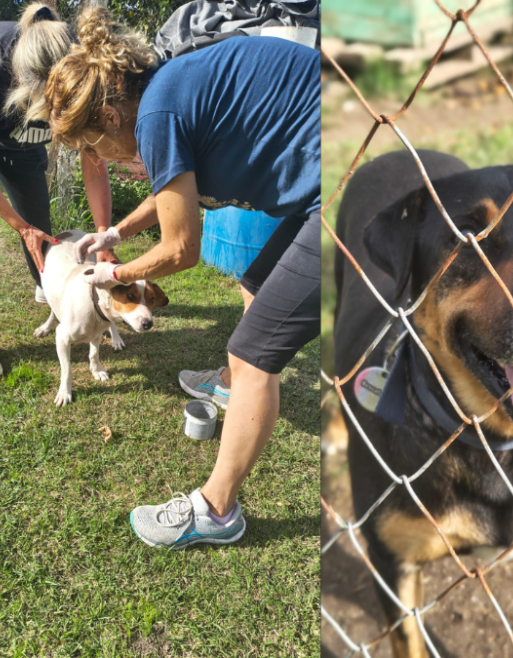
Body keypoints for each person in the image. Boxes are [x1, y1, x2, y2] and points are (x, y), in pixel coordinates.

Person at [39, 6, 320, 548]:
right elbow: (176, 195)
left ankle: (217, 509)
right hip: (334, 175)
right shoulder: (165, 94)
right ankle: (233, 390)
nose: (102, 158)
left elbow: (181, 249)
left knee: (253, 350)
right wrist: (116, 232)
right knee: (255, 283)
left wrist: (113, 273)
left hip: (353, 183)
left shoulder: (156, 114)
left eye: (92, 148)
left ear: (112, 119)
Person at [0, 2, 117, 380]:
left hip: (14, 123)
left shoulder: (80, 68)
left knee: (38, 215)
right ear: (25, 86)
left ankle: (48, 290)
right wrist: (20, 227)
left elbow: (93, 160)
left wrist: (104, 236)